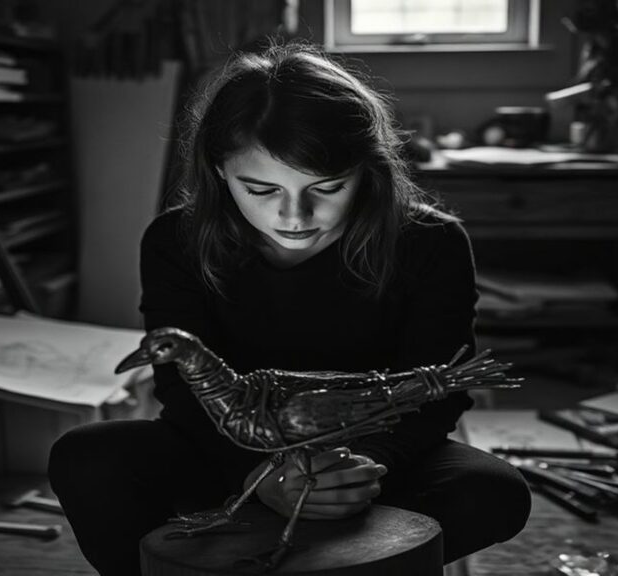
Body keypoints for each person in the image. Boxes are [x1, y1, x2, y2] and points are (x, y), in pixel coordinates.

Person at [48, 40, 531, 576]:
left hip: (367, 461)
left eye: (327, 187)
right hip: (226, 453)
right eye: (259, 188)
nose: (293, 215)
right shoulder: (175, 240)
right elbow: (180, 389)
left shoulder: (430, 242)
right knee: (87, 457)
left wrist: (362, 469)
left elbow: (439, 386)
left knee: (492, 491)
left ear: (366, 171)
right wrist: (262, 475)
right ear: (219, 170)